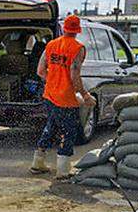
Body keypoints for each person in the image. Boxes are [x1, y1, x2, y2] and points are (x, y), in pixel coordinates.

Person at [32, 14, 95, 178]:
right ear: (77, 30)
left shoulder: (51, 45)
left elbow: (40, 71)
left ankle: (38, 161)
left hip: (50, 95)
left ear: (64, 28)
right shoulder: (77, 48)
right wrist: (85, 94)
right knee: (68, 132)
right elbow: (74, 75)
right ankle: (63, 170)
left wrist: (53, 80)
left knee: (51, 126)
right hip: (66, 99)